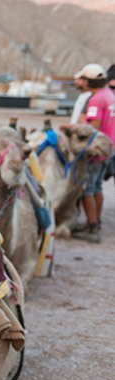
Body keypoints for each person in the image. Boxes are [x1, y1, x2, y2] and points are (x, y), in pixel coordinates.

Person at [71, 63, 115, 244]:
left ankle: (91, 227)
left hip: (95, 152)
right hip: (108, 149)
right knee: (97, 187)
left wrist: (73, 128)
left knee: (87, 189)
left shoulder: (96, 100)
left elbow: (93, 128)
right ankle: (95, 223)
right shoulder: (109, 95)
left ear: (88, 82)